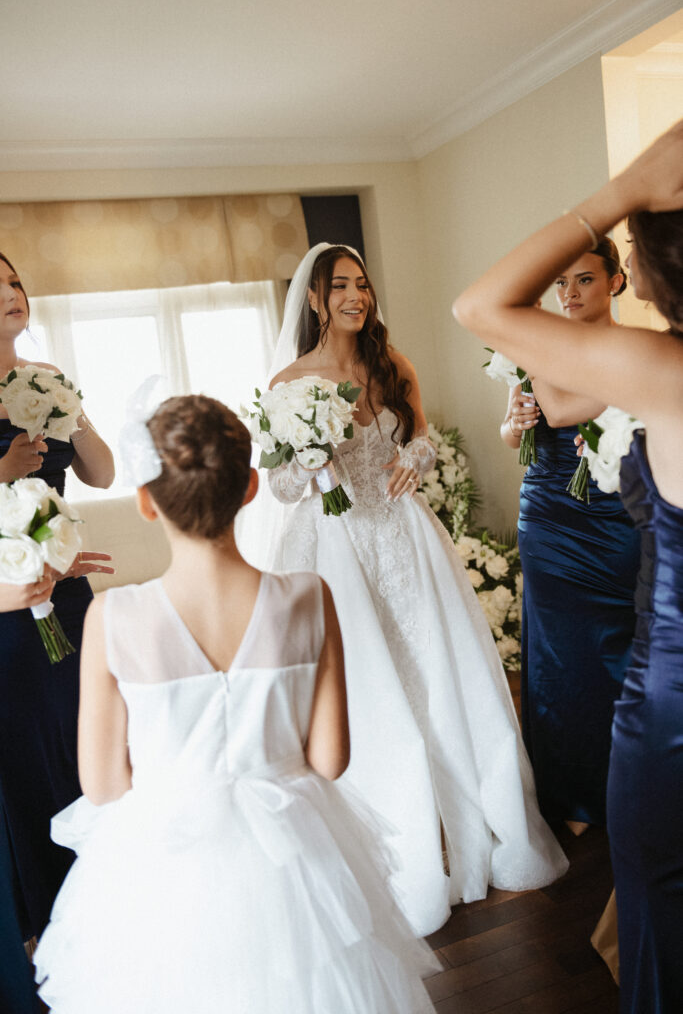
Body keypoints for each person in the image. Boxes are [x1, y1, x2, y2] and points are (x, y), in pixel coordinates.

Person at [34, 393, 439, 1013]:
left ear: (145, 501)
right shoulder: (308, 597)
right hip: (294, 857)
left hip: (164, 860)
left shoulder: (113, 617)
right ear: (250, 488)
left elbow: (104, 786)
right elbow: (329, 761)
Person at [264, 242, 568, 937]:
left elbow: (422, 436)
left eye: (362, 284)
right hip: (337, 549)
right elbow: (280, 486)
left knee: (438, 678)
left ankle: (473, 838)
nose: (355, 296)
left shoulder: (387, 362)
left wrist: (412, 459)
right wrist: (311, 458)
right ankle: (396, 857)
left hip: (405, 539)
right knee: (373, 692)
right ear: (314, 299)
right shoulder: (289, 382)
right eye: (340, 286)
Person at [454, 118, 683, 1013]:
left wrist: (617, 191)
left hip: (672, 710)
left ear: (644, 270)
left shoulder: (661, 370)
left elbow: (480, 307)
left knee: (662, 913)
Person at [500, 238, 640, 834]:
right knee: (559, 659)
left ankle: (629, 783)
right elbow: (519, 430)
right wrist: (513, 421)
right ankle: (571, 795)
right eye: (560, 284)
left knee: (621, 649)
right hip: (550, 516)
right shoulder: (543, 349)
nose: (570, 294)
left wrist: (526, 348)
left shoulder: (638, 351)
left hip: (614, 520)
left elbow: (562, 412)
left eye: (584, 279)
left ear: (614, 281)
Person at [0, 250, 114, 958]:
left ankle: (102, 893)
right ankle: (42, 922)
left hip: (66, 587)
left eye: (13, 281)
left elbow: (101, 472)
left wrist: (72, 409)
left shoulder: (45, 378)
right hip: (6, 599)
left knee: (86, 738)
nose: (11, 292)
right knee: (23, 756)